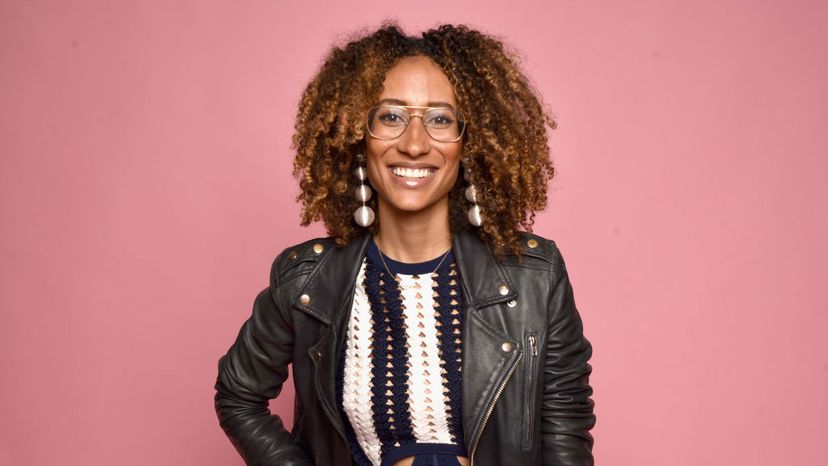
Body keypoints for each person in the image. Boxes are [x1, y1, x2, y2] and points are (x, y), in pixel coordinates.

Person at [214, 23, 595, 466]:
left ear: (467, 143)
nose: (415, 144)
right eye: (391, 116)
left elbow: (566, 427)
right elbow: (238, 395)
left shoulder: (535, 275)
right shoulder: (307, 280)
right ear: (359, 135)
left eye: (440, 119)